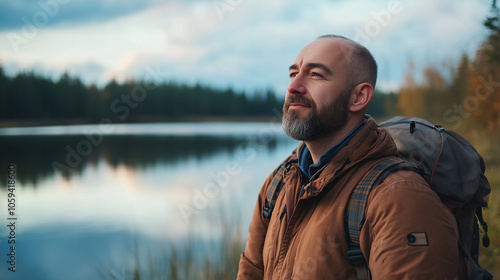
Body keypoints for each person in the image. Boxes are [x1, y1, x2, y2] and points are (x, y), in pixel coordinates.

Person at [236, 35, 463, 279]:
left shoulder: (399, 198)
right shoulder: (280, 181)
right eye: (293, 74)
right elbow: (251, 271)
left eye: (316, 75)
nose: (293, 87)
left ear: (358, 98)